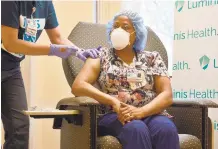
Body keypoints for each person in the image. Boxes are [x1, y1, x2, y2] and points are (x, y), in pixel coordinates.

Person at [72, 10, 179, 149]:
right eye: (115, 26)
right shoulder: (100, 55)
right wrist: (112, 101)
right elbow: (78, 86)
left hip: (151, 113)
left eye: (126, 27)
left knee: (166, 130)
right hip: (114, 115)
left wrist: (141, 112)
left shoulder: (152, 58)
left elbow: (166, 95)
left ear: (137, 33)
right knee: (136, 129)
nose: (119, 30)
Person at [1, 1, 100, 149]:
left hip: (11, 67)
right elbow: (11, 43)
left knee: (19, 127)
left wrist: (78, 51)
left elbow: (58, 38)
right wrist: (52, 50)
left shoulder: (45, 3)